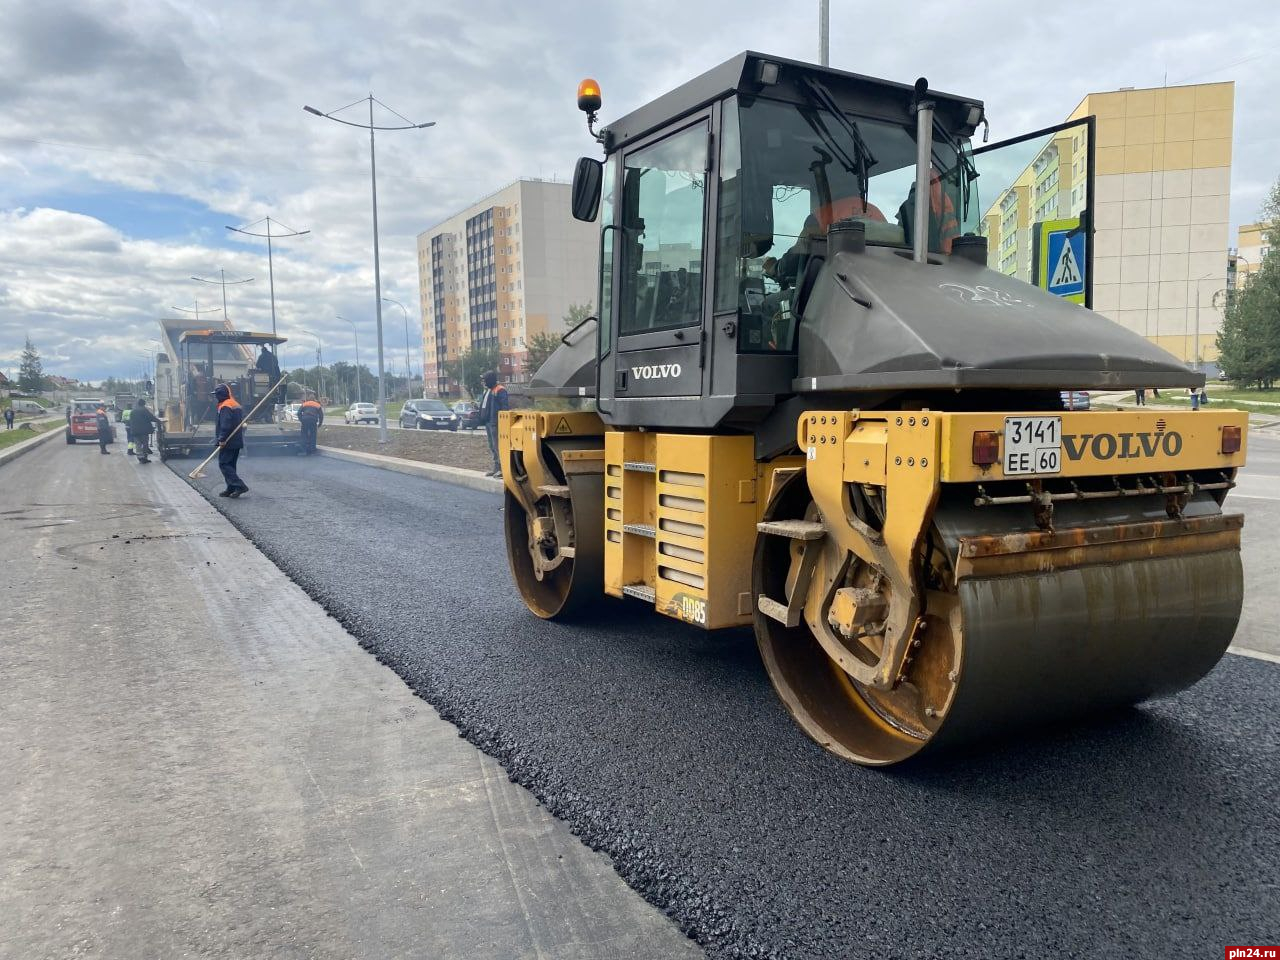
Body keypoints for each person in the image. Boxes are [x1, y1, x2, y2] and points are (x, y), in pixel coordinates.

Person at [213, 383, 249, 498]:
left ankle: (239, 485)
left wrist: (222, 439)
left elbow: (226, 425)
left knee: (224, 464)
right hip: (236, 440)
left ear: (220, 395)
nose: (216, 397)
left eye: (217, 395)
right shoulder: (235, 404)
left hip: (228, 440)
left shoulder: (225, 406)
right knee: (231, 465)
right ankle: (231, 488)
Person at [478, 370, 509, 477]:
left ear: (490, 379)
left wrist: (502, 422)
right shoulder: (488, 390)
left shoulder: (500, 390)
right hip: (489, 423)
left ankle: (502, 469)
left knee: (498, 446)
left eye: (484, 380)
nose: (483, 382)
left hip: (496, 423)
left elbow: (504, 407)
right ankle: (496, 468)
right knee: (492, 446)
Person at [129, 398, 163, 464]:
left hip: (135, 431)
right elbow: (151, 417)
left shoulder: (133, 411)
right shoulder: (144, 410)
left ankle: (140, 458)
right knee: (145, 444)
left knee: (138, 444)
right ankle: (144, 457)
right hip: (143, 431)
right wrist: (159, 421)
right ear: (144, 404)